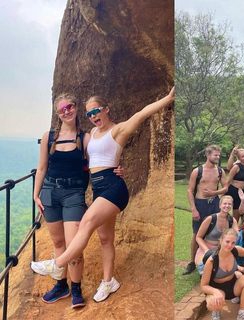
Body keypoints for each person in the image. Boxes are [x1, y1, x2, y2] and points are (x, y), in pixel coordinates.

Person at [31, 88, 175, 302]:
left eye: (96, 111)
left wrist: (169, 98)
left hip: (113, 188)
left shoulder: (118, 130)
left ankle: (56, 264)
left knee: (86, 222)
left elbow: (143, 113)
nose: (93, 116)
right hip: (99, 188)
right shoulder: (92, 135)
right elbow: (90, 161)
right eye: (89, 114)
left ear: (106, 109)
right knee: (106, 239)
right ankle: (109, 282)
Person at [33, 93, 94, 307]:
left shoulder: (85, 138)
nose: (66, 111)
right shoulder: (49, 137)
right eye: (62, 109)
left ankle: (76, 288)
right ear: (57, 113)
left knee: (73, 245)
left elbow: (97, 164)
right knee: (58, 243)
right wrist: (35, 194)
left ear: (76, 108)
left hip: (73, 194)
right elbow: (42, 168)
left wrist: (116, 171)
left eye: (69, 107)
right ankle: (62, 285)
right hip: (50, 192)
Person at [183, 145, 228, 275]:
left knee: (217, 231)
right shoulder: (198, 171)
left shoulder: (220, 171)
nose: (218, 157)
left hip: (214, 203)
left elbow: (225, 188)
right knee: (197, 233)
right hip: (200, 204)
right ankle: (192, 262)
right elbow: (190, 190)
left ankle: (217, 259)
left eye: (219, 155)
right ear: (208, 155)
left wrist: (214, 192)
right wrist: (193, 209)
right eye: (215, 155)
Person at [201, 229, 244, 320]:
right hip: (217, 288)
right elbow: (203, 285)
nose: (230, 245)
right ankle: (216, 311)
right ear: (221, 240)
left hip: (232, 286)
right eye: (227, 241)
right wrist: (215, 292)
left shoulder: (234, 250)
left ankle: (242, 312)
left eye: (233, 242)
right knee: (213, 304)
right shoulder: (212, 261)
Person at [195, 195, 239, 275]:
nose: (227, 206)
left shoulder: (232, 220)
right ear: (220, 205)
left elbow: (237, 236)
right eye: (225, 204)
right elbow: (198, 237)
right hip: (206, 248)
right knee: (203, 268)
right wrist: (205, 250)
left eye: (229, 204)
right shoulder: (211, 219)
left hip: (222, 249)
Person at [225, 148, 244, 222]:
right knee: (236, 215)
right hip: (234, 191)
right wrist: (222, 193)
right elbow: (228, 181)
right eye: (242, 156)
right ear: (239, 159)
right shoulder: (236, 167)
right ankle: (233, 230)